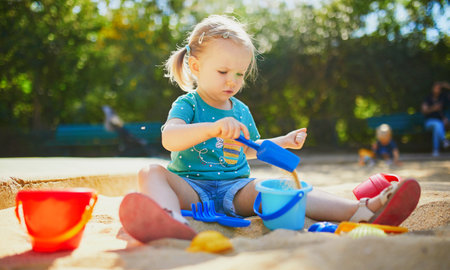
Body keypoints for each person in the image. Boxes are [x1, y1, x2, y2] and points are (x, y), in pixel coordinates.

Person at [118, 15, 421, 243]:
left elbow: (251, 148)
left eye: (239, 74)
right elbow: (170, 139)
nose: (232, 81)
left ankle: (361, 210)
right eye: (223, 71)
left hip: (235, 191)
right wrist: (211, 128)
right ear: (196, 67)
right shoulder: (189, 104)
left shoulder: (240, 110)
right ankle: (172, 222)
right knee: (150, 172)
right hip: (191, 190)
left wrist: (284, 142)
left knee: (284, 188)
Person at [421, 81, 450, 157]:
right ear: (432, 88)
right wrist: (433, 108)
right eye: (436, 87)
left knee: (437, 127)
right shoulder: (428, 98)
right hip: (429, 122)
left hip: (441, 122)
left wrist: (445, 85)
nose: (437, 89)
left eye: (439, 88)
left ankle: (436, 151)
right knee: (437, 124)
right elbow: (424, 111)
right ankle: (444, 140)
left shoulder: (443, 98)